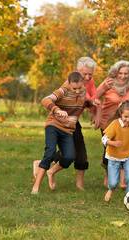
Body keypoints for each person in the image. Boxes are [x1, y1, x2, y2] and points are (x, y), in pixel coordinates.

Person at [33, 57, 99, 190]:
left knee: (77, 154)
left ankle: (75, 182)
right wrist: (57, 110)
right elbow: (47, 100)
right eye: (84, 74)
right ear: (77, 71)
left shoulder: (86, 86)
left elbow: (86, 99)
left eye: (90, 74)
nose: (87, 77)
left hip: (72, 123)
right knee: (58, 152)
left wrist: (92, 105)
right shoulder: (67, 86)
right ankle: (39, 178)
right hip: (59, 122)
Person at [94, 60, 129, 189]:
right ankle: (108, 175)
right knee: (110, 149)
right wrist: (96, 112)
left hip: (127, 122)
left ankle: (122, 181)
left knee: (124, 147)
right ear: (116, 72)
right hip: (107, 122)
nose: (123, 76)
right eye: (121, 73)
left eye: (126, 74)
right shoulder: (108, 82)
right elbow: (94, 98)